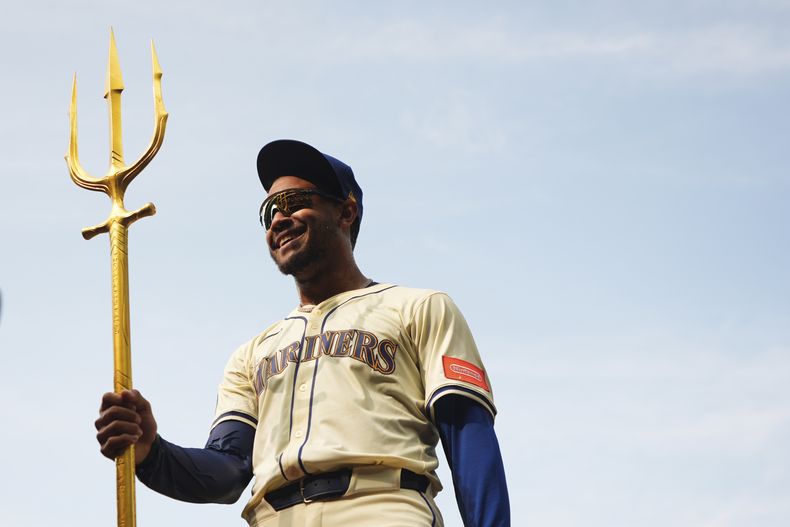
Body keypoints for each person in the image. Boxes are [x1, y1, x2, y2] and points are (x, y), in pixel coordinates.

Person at [95, 139, 510, 526]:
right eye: (269, 210)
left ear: (345, 212)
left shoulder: (419, 307)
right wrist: (150, 450)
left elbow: (469, 436)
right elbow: (228, 471)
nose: (279, 218)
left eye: (294, 202)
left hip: (380, 508)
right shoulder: (251, 354)